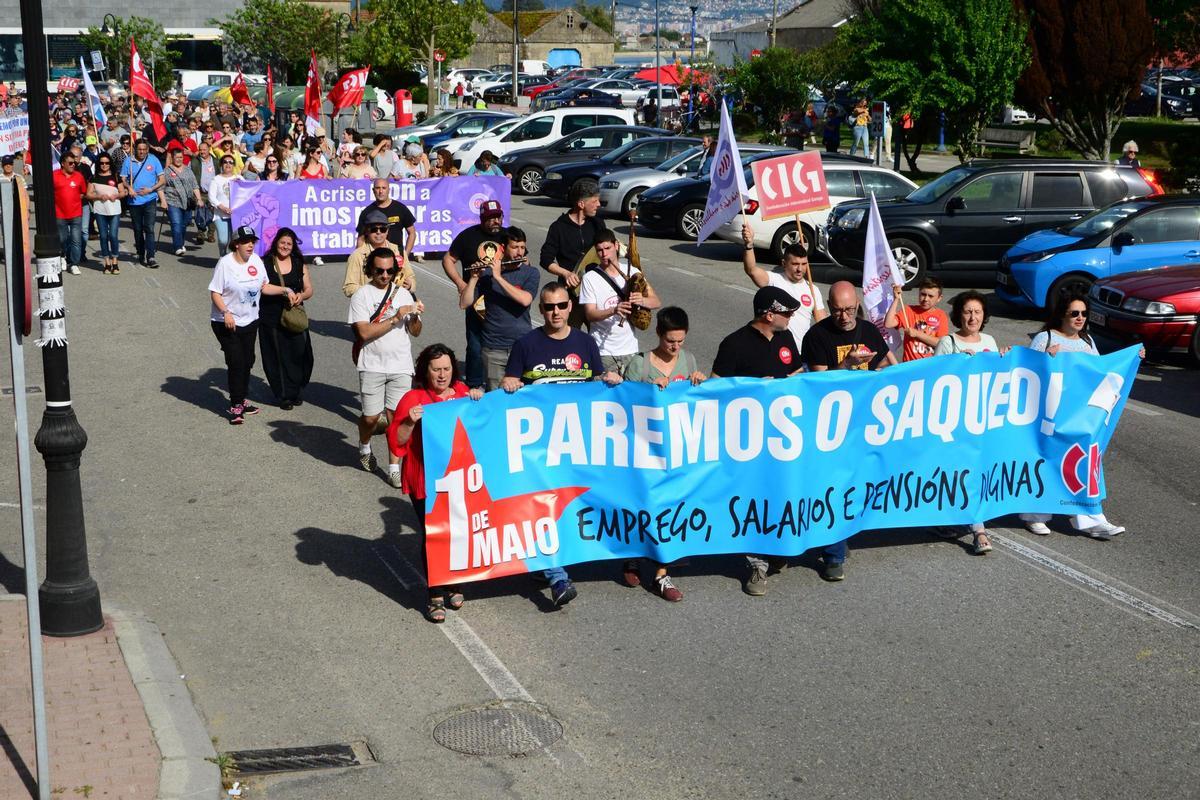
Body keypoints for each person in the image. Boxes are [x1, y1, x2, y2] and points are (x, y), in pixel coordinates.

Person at [502, 282, 622, 606]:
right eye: (548, 307)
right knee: (545, 508)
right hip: (539, 449)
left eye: (561, 306)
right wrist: (509, 382)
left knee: (573, 506)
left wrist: (610, 380)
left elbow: (595, 383)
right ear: (541, 310)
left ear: (571, 307)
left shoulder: (585, 342)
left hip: (577, 445)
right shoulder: (526, 344)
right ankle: (557, 578)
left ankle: (548, 562)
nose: (555, 312)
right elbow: (508, 385)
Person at [711, 286, 813, 594]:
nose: (791, 316)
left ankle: (779, 547)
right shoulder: (734, 344)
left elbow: (798, 376)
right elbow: (715, 391)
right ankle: (756, 565)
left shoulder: (785, 338)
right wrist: (752, 388)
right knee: (755, 498)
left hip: (785, 438)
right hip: (749, 441)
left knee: (782, 493)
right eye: (786, 312)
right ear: (769, 314)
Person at [1020, 291, 1141, 539]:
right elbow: (1027, 371)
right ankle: (1036, 515)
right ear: (1063, 314)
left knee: (1084, 462)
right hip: (1050, 413)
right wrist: (1046, 358)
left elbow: (1101, 372)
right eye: (1074, 313)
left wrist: (1131, 359)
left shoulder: (1087, 341)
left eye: (1084, 314)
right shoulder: (1046, 337)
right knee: (1046, 460)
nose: (1080, 318)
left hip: (1079, 416)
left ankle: (1091, 518)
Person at [387, 344, 483, 623]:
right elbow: (397, 442)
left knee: (458, 532)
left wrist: (479, 399)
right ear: (424, 371)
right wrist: (409, 422)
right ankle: (434, 593)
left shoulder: (464, 393)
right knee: (434, 534)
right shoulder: (413, 399)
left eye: (446, 369)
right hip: (425, 481)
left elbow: (483, 425)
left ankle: (454, 581)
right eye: (435, 369)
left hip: (459, 480)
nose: (441, 375)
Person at [620, 305, 705, 602]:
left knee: (668, 508)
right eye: (671, 341)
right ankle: (632, 558)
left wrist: (698, 382)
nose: (676, 347)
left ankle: (661, 574)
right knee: (642, 506)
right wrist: (648, 390)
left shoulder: (688, 359)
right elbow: (621, 406)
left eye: (681, 341)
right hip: (644, 451)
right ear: (658, 334)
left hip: (676, 452)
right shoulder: (639, 365)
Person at [932, 290, 1006, 553]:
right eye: (967, 312)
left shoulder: (989, 340)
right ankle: (973, 527)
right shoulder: (947, 342)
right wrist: (960, 365)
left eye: (977, 312)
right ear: (958, 315)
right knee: (958, 472)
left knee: (976, 472)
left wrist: (1003, 359)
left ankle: (975, 527)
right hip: (955, 420)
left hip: (982, 419)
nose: (972, 317)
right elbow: (935, 379)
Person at [350, 248, 424, 487]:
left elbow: (416, 332)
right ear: (371, 269)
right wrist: (394, 318)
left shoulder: (404, 294)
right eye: (379, 270)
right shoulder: (361, 295)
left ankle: (394, 467)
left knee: (396, 418)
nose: (384, 275)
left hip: (401, 365)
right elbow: (363, 332)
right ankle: (364, 446)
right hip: (372, 365)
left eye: (389, 270)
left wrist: (413, 317)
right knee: (371, 418)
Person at [208, 226, 297, 425]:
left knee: (248, 360)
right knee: (237, 361)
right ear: (236, 244)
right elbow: (215, 292)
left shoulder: (256, 260)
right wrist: (226, 312)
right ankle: (236, 405)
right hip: (226, 322)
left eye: (252, 241)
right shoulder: (225, 263)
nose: (250, 245)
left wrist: (285, 289)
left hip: (250, 319)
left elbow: (264, 286)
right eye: (246, 241)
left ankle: (242, 398)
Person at [457, 226, 541, 390]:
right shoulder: (486, 274)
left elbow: (525, 300)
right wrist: (474, 278)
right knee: (496, 399)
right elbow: (464, 303)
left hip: (522, 346)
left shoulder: (531, 273)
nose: (519, 252)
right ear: (503, 248)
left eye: (522, 248)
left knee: (522, 398)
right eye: (515, 247)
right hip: (494, 348)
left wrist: (498, 277)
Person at [443, 199, 508, 389]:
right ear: (482, 219)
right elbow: (448, 259)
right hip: (477, 296)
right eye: (491, 218)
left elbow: (523, 259)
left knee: (504, 341)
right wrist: (460, 283)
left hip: (503, 296)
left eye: (498, 217)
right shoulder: (468, 236)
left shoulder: (507, 236)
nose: (496, 221)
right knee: (475, 342)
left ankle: (504, 379)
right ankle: (474, 384)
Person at [579, 229, 661, 373]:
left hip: (630, 349)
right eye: (599, 250)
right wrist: (614, 310)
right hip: (603, 351)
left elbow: (656, 302)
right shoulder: (590, 278)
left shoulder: (632, 271)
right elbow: (590, 315)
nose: (604, 254)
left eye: (607, 248)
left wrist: (641, 300)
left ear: (616, 246)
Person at [741, 222, 827, 341]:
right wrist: (749, 245)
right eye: (795, 264)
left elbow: (822, 322)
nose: (800, 269)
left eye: (803, 264)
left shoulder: (813, 289)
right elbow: (751, 270)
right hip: (777, 352)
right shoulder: (774, 280)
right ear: (784, 264)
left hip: (801, 353)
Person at [259, 228, 314, 410]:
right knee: (277, 357)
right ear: (276, 243)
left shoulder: (299, 263)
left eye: (289, 244)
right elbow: (263, 287)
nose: (285, 246)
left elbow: (309, 289)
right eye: (282, 242)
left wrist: (301, 295)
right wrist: (285, 290)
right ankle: (283, 395)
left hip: (294, 315)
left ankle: (297, 389)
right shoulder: (265, 262)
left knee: (301, 354)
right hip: (271, 316)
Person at [802, 281, 896, 372]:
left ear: (857, 303)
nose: (844, 317)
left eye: (849, 310)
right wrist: (847, 363)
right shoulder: (816, 336)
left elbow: (886, 361)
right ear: (829, 306)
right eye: (837, 310)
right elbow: (821, 381)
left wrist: (877, 373)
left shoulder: (870, 330)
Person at [539, 181, 609, 288]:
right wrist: (565, 274)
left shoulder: (598, 223)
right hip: (571, 287)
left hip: (596, 284)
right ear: (581, 204)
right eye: (594, 201)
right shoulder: (558, 227)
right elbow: (545, 260)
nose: (599, 204)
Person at [343, 208, 416, 297]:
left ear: (387, 231)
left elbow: (410, 277)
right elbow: (349, 288)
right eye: (374, 229)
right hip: (370, 307)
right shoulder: (357, 255)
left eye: (382, 229)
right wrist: (375, 291)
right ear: (367, 231)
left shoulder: (398, 251)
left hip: (396, 306)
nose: (378, 232)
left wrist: (410, 285)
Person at [119, 139, 165, 268]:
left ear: (148, 149)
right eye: (140, 149)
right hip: (134, 201)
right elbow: (123, 178)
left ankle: (151, 256)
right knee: (138, 229)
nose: (142, 152)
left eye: (144, 149)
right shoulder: (129, 161)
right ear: (135, 149)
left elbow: (162, 179)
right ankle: (140, 252)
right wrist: (129, 188)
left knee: (149, 228)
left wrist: (151, 189)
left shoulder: (153, 160)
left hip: (150, 199)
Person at [884, 278, 949, 361]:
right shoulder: (908, 310)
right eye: (923, 294)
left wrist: (917, 334)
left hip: (930, 365)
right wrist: (896, 299)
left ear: (939, 298)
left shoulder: (941, 315)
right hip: (910, 365)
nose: (926, 299)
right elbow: (888, 324)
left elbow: (941, 343)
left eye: (930, 296)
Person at [355, 178, 416, 260]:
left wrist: (405, 255)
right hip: (374, 259)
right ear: (373, 190)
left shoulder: (400, 208)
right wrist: (360, 258)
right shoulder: (366, 212)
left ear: (389, 190)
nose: (380, 191)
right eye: (377, 188)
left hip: (397, 257)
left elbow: (412, 233)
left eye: (384, 188)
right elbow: (361, 239)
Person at [52, 150, 90, 274]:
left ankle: (74, 263)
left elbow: (83, 192)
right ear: (63, 163)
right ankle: (62, 256)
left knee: (76, 240)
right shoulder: (54, 175)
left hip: (76, 214)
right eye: (70, 163)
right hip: (60, 214)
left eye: (74, 163)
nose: (73, 165)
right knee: (62, 239)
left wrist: (79, 196)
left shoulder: (78, 176)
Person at [161, 149, 204, 257]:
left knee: (184, 224)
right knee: (176, 223)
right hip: (172, 200)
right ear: (172, 158)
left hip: (188, 201)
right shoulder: (167, 171)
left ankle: (180, 242)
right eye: (177, 157)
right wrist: (163, 201)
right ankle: (178, 247)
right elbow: (161, 187)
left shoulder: (188, 170)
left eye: (181, 157)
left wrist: (199, 199)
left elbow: (194, 185)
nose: (179, 159)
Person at [89, 152, 126, 274]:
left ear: (110, 163)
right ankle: (107, 262)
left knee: (113, 236)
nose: (104, 165)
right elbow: (88, 194)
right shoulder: (93, 178)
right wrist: (99, 196)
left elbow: (123, 192)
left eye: (107, 163)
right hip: (100, 211)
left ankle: (115, 261)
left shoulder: (116, 177)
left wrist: (117, 195)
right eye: (102, 163)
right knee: (103, 236)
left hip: (114, 210)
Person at [208, 154, 239, 255]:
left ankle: (230, 260)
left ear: (234, 165)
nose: (228, 164)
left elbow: (248, 191)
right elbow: (211, 197)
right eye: (225, 162)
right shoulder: (216, 179)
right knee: (223, 240)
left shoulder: (239, 178)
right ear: (221, 164)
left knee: (234, 241)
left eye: (231, 162)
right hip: (221, 215)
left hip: (235, 216)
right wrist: (223, 207)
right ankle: (222, 254)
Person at [190, 141, 218, 244]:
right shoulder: (194, 161)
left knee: (211, 214)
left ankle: (211, 234)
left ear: (209, 149)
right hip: (200, 192)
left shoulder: (215, 161)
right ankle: (200, 234)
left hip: (213, 193)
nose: (202, 152)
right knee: (200, 213)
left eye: (204, 149)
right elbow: (189, 175)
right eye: (200, 150)